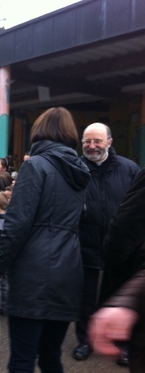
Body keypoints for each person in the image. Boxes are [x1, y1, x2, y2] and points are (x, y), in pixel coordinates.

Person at [0, 107, 91, 373]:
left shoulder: (35, 166)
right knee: (51, 357)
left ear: (40, 131)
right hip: (69, 269)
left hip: (34, 272)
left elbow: (17, 224)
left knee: (22, 360)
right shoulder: (80, 172)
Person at [73, 122, 140, 363]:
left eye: (97, 141)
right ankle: (85, 340)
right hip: (85, 245)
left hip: (122, 248)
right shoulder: (75, 169)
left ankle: (123, 345)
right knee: (86, 298)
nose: (92, 146)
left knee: (121, 298)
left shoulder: (130, 169)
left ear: (109, 143)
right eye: (87, 141)